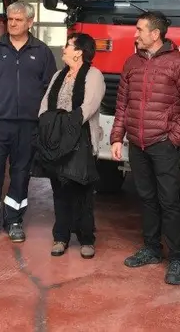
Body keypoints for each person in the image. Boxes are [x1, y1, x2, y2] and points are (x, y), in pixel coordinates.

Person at [110, 11, 180, 285]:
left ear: (155, 34)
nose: (135, 34)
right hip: (136, 144)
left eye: (140, 30)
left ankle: (176, 258)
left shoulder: (179, 63)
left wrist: (173, 139)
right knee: (147, 199)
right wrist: (117, 137)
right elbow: (122, 104)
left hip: (163, 144)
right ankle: (151, 249)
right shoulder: (132, 63)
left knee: (169, 201)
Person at [0, 1, 58, 245]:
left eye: (18, 20)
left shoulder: (42, 52)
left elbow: (50, 90)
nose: (12, 23)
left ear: (30, 22)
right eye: (10, 19)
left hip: (29, 124)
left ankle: (14, 221)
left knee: (21, 173)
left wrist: (45, 123)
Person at [35, 33, 105, 259]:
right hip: (56, 142)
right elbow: (45, 104)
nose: (63, 49)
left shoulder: (94, 75)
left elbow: (88, 107)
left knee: (83, 192)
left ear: (79, 52)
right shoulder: (59, 75)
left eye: (68, 45)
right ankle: (61, 237)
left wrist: (64, 126)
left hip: (80, 141)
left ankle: (86, 239)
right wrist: (48, 124)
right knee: (60, 191)